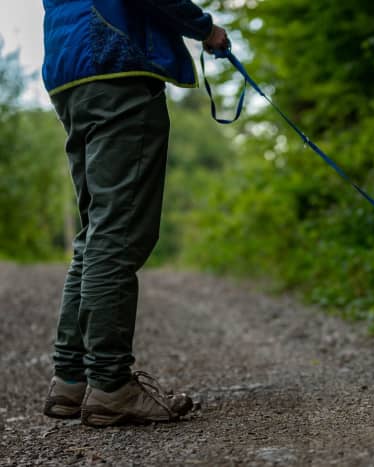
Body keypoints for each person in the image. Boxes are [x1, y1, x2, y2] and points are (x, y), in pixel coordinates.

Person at [41, 0, 229, 427]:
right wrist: (206, 30)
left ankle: (71, 380)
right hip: (114, 62)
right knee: (118, 233)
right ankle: (111, 386)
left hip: (68, 70)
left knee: (97, 231)